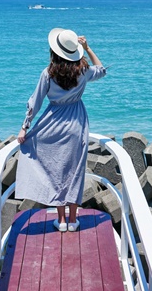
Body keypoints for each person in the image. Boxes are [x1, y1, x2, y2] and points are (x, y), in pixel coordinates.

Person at [12, 28, 106, 233]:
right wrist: (88, 48)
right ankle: (73, 221)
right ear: (75, 52)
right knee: (75, 171)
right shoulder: (83, 71)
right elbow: (102, 69)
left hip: (52, 123)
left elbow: (35, 102)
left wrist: (24, 127)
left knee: (56, 170)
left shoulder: (48, 74)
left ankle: (61, 220)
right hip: (77, 123)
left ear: (55, 51)